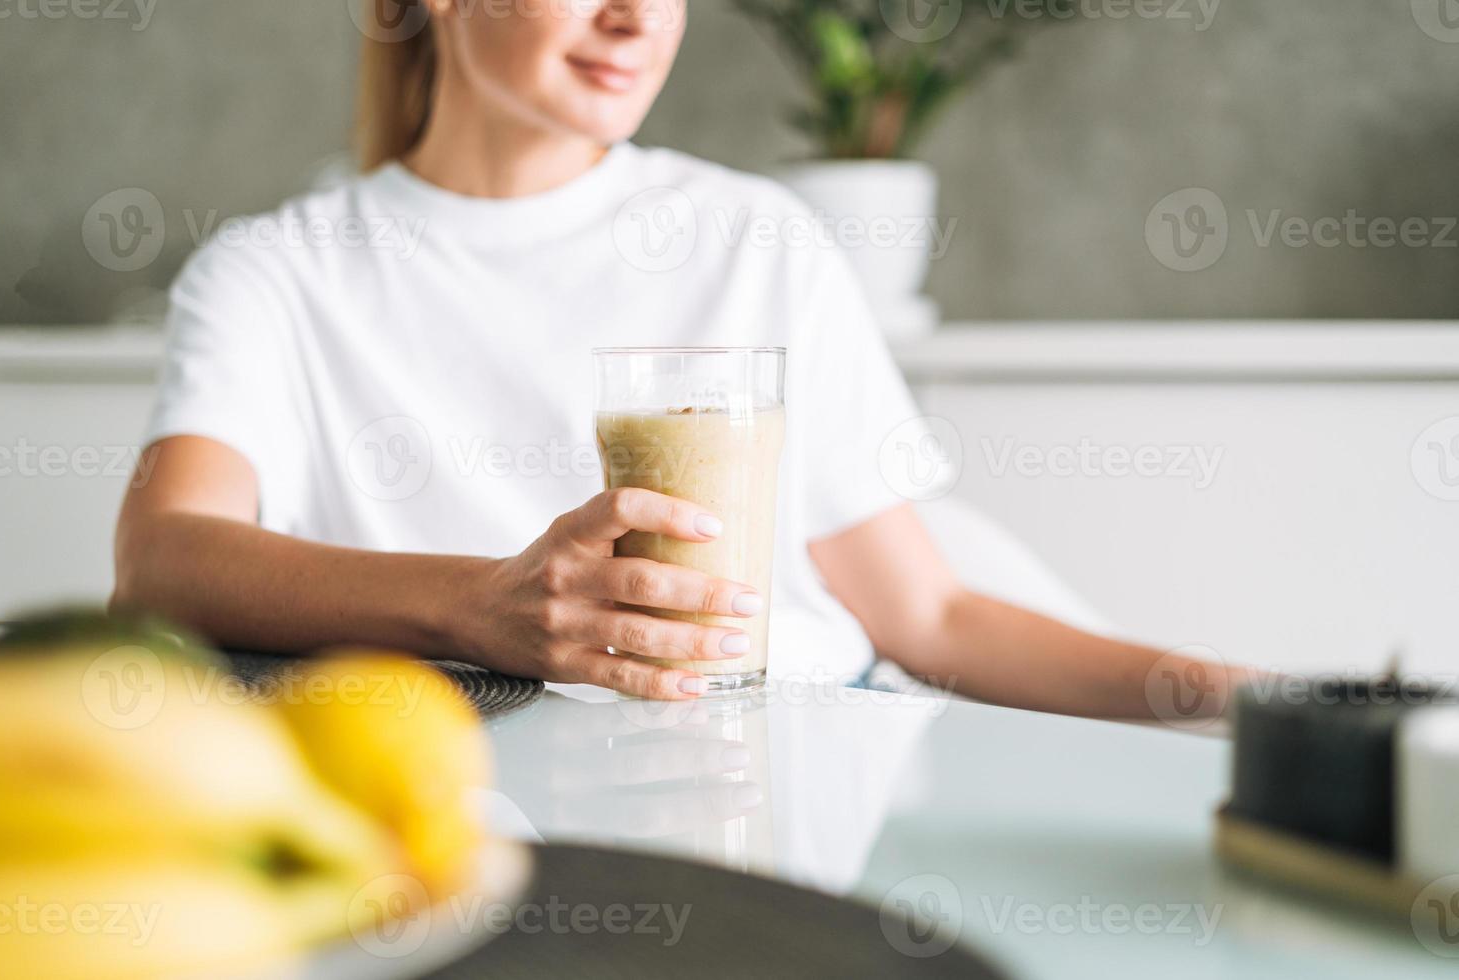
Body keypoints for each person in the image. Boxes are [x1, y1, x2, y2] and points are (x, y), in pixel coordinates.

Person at [113, 0, 1250, 716]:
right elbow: (163, 560)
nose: (635, 17)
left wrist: (1230, 697)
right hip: (469, 777)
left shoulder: (755, 239)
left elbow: (933, 618)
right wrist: (487, 606)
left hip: (786, 748)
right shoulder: (276, 272)